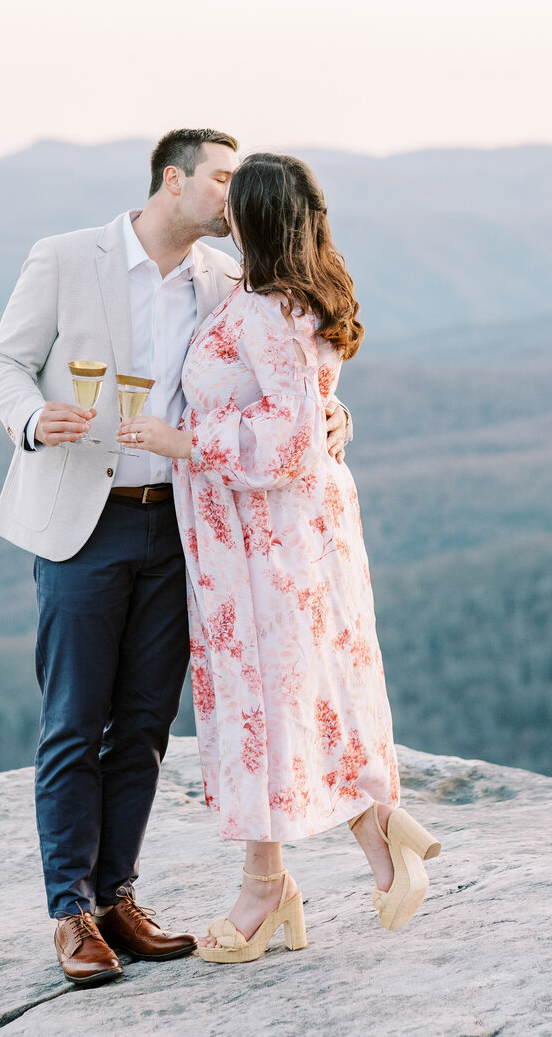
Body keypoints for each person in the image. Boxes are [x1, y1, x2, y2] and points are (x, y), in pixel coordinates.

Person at [0, 130, 354, 986]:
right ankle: (70, 914)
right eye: (222, 178)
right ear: (171, 179)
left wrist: (335, 420)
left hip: (185, 528)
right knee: (75, 721)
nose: (234, 195)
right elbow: (3, 363)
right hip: (84, 519)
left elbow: (287, 380)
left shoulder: (231, 278)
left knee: (146, 726)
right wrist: (34, 418)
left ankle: (117, 895)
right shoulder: (67, 257)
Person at [118, 152, 441, 964]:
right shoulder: (285, 300)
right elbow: (309, 412)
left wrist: (181, 440)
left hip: (266, 544)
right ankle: (360, 847)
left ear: (255, 220)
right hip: (278, 534)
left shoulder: (264, 310)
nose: (221, 207)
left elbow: (292, 440)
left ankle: (277, 885)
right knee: (292, 696)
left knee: (266, 701)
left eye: (236, 197)